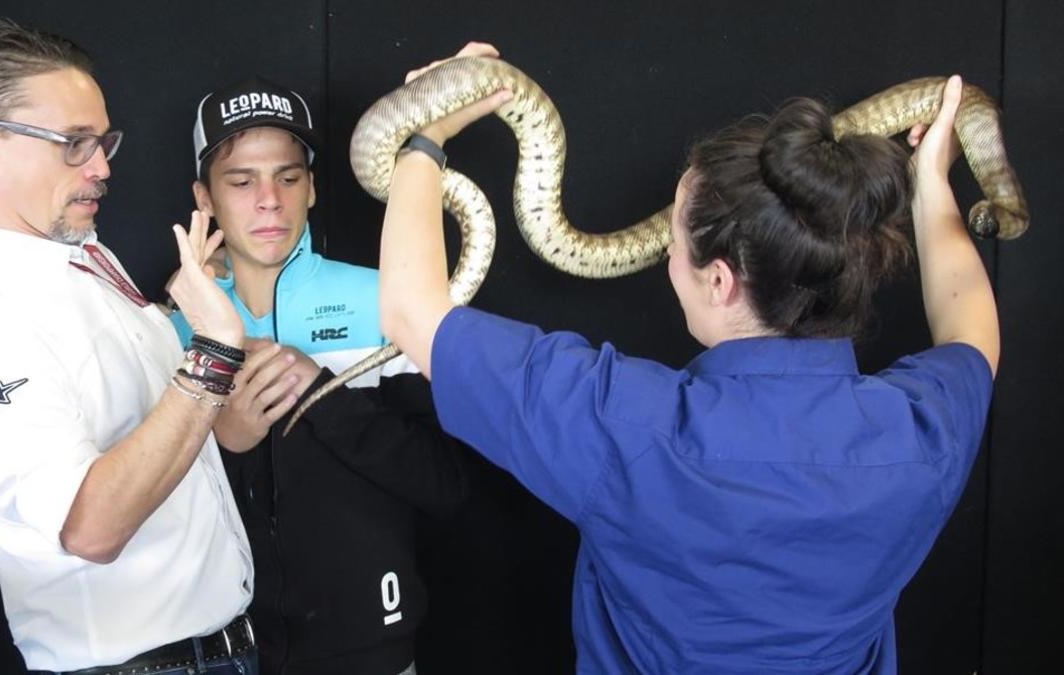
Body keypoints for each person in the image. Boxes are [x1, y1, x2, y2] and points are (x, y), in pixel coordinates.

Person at [379, 43, 998, 674]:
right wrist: (932, 184)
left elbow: (410, 313)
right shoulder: (924, 433)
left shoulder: (624, 427)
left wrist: (424, 134)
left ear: (721, 281)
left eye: (673, 241)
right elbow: (972, 325)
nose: (668, 260)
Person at [0, 19, 259, 675]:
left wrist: (173, 317)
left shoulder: (78, 248)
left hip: (218, 650)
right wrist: (212, 358)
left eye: (102, 141)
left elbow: (106, 392)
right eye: (73, 144)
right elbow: (90, 525)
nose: (102, 166)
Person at [168, 72, 469, 675]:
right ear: (205, 198)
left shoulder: (389, 303)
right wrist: (226, 442)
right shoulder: (169, 329)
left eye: (287, 177)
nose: (269, 201)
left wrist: (319, 393)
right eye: (241, 180)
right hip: (227, 657)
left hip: (372, 653)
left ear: (312, 188)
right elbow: (144, 517)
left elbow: (449, 486)